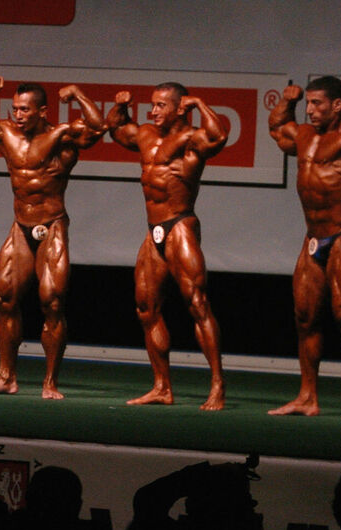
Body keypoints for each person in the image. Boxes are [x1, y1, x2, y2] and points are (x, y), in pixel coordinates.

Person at [0, 77, 104, 399]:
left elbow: (96, 128)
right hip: (20, 227)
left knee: (52, 302)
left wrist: (79, 92)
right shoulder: (6, 132)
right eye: (15, 109)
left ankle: (50, 382)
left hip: (51, 225)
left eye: (25, 109)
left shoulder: (60, 136)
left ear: (42, 110)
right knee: (5, 299)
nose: (19, 114)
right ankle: (6, 377)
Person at [267, 76, 341, 421]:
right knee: (305, 319)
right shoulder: (303, 135)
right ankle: (307, 397)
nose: (310, 110)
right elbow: (277, 128)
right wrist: (287, 102)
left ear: (337, 105)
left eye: (317, 103)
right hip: (312, 238)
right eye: (308, 104)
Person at [106, 83, 228, 409]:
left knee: (197, 304)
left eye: (161, 105)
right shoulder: (146, 134)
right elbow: (116, 129)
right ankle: (162, 386)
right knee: (146, 309)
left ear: (178, 109)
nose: (154, 111)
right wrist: (122, 107)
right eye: (153, 105)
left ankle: (217, 385)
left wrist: (200, 102)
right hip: (153, 232)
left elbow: (218, 137)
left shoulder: (191, 140)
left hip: (180, 226)